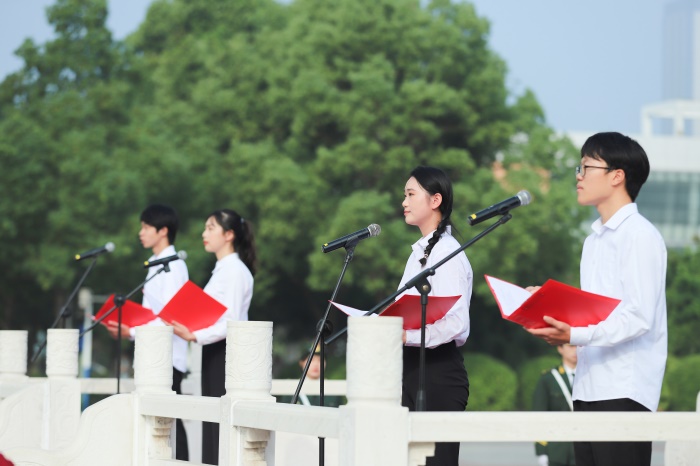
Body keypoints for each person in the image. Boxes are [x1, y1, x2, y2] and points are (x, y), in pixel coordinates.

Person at [526, 132, 667, 466]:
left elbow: (637, 316)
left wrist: (573, 335)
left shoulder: (640, 235)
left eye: (586, 166)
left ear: (617, 176)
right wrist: (548, 308)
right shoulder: (594, 241)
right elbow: (594, 312)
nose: (578, 175)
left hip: (624, 390)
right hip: (587, 388)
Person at [398, 166, 472, 466]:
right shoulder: (417, 253)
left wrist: (407, 335)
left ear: (435, 200)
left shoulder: (449, 252)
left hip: (439, 373)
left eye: (411, 194)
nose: (403, 201)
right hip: (409, 370)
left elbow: (456, 323)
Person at [170, 209, 256, 465]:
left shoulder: (235, 271)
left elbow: (229, 322)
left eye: (210, 228)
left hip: (226, 353)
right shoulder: (223, 269)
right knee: (212, 423)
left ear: (229, 234)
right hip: (214, 350)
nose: (203, 234)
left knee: (221, 427)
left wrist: (194, 334)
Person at [105, 204, 189, 460]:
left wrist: (131, 331)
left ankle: (180, 461)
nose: (140, 233)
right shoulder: (154, 263)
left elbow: (171, 318)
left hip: (168, 355)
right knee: (157, 418)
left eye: (145, 227)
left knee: (170, 418)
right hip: (151, 352)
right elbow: (152, 313)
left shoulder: (173, 266)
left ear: (163, 231)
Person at [532, 344, 577, 466]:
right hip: (557, 450)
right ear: (560, 348)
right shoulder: (549, 378)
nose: (576, 350)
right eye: (571, 346)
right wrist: (541, 450)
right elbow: (539, 415)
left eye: (580, 346)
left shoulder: (590, 377)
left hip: (583, 449)